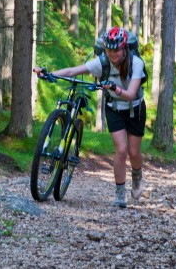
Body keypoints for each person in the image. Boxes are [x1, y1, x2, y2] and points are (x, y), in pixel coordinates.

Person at [34, 27, 147, 208]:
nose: (113, 54)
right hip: (114, 108)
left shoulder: (136, 63)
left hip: (135, 109)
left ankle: (137, 175)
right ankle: (120, 196)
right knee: (121, 150)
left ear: (124, 48)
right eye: (109, 50)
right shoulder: (102, 62)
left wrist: (113, 88)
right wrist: (49, 74)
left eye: (116, 50)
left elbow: (131, 94)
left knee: (134, 153)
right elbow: (73, 71)